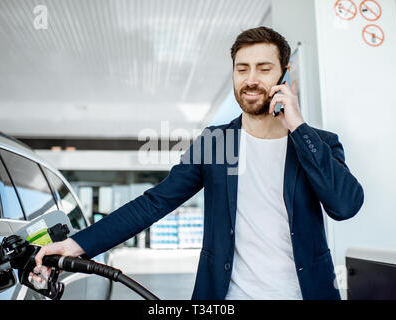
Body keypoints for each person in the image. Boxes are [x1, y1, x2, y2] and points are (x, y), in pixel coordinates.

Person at [32, 26, 364, 300]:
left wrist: (298, 127)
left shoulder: (318, 142)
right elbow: (154, 203)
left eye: (264, 69)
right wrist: (76, 246)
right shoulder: (216, 142)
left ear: (285, 74)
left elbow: (345, 205)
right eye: (242, 68)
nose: (251, 79)